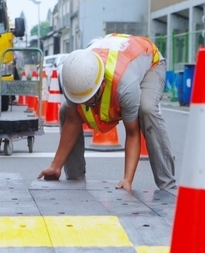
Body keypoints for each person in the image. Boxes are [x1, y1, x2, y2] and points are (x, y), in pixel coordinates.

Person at [37, 34, 177, 191]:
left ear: (101, 85)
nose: (82, 104)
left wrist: (127, 179)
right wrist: (55, 166)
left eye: (87, 99)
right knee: (66, 111)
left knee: (147, 109)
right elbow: (72, 120)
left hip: (150, 62)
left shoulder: (125, 86)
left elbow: (132, 133)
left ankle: (167, 185)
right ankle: (74, 180)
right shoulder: (74, 76)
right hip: (117, 53)